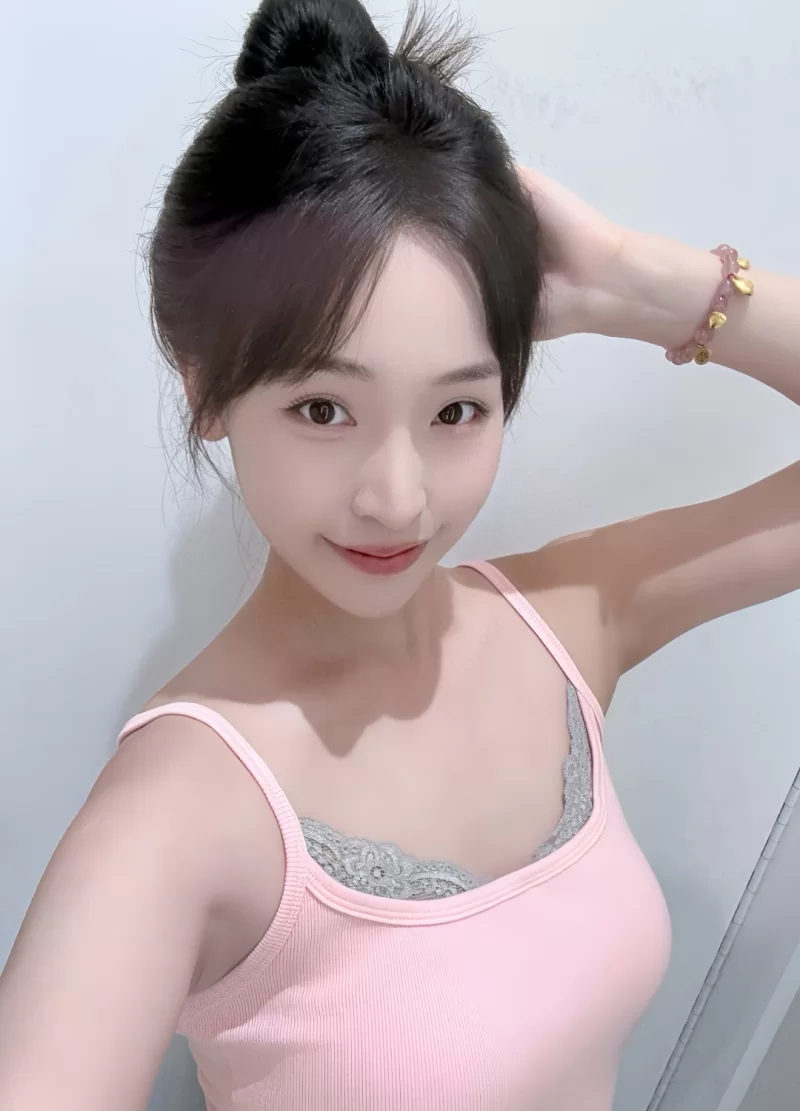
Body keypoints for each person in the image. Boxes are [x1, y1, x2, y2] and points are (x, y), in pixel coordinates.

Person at [1, 1, 798, 1109]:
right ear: (208, 387)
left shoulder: (569, 624)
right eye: (324, 409)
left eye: (457, 411)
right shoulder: (173, 820)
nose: (398, 499)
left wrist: (642, 282)